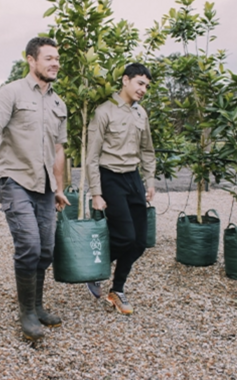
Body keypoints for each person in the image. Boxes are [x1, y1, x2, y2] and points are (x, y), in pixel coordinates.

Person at [0, 37, 69, 341]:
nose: (55, 63)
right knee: (29, 244)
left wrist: (59, 187)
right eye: (49, 58)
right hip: (15, 180)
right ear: (31, 60)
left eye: (57, 59)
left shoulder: (58, 103)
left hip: (44, 186)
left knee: (46, 250)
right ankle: (26, 312)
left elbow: (58, 149)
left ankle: (37, 305)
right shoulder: (11, 92)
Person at [86, 62, 156, 315]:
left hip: (133, 178)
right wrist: (96, 192)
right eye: (140, 83)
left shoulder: (141, 114)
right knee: (125, 236)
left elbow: (147, 149)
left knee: (140, 242)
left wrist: (149, 180)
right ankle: (93, 270)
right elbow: (92, 156)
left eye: (147, 86)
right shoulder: (104, 111)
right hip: (110, 178)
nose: (143, 89)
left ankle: (117, 290)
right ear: (125, 80)